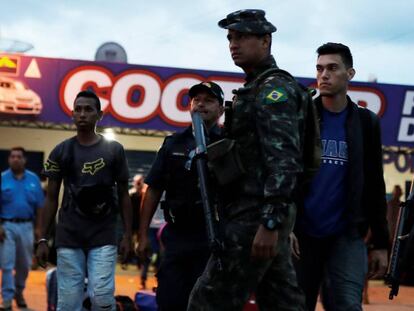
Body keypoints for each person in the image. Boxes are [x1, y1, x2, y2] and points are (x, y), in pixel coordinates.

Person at [188, 9, 307, 310]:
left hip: (255, 216)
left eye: (242, 36)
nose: (233, 44)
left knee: (207, 302)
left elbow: (284, 158)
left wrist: (270, 222)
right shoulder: (256, 88)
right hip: (255, 211)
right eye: (230, 37)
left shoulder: (272, 90)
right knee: (281, 300)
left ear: (265, 40)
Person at [291, 43, 389, 311]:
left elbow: (374, 184)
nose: (324, 75)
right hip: (301, 236)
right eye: (320, 68)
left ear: (350, 73)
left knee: (347, 305)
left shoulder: (366, 123)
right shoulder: (301, 118)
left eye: (332, 68)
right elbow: (285, 174)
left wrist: (381, 243)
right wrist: (285, 225)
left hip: (346, 236)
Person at [36, 90, 132, 311]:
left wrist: (128, 235)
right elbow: (51, 199)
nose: (82, 114)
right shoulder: (60, 151)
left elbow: (124, 195)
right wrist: (43, 239)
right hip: (69, 234)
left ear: (99, 115)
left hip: (104, 233)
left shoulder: (114, 150)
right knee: (68, 303)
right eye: (78, 109)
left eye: (88, 109)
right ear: (72, 114)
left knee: (101, 297)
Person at [137, 81, 224, 310]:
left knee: (205, 302)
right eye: (197, 100)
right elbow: (154, 189)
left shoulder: (228, 144)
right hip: (176, 236)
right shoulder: (173, 144)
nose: (201, 105)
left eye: (209, 100)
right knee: (169, 299)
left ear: (221, 109)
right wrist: (143, 235)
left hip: (213, 238)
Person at [0, 147, 44, 310]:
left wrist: (39, 229)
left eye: (19, 156)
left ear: (24, 160)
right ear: (9, 159)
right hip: (7, 227)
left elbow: (40, 207)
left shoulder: (33, 179)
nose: (15, 159)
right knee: (7, 264)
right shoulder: (2, 178)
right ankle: (7, 299)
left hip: (27, 227)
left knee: (24, 265)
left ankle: (19, 292)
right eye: (12, 156)